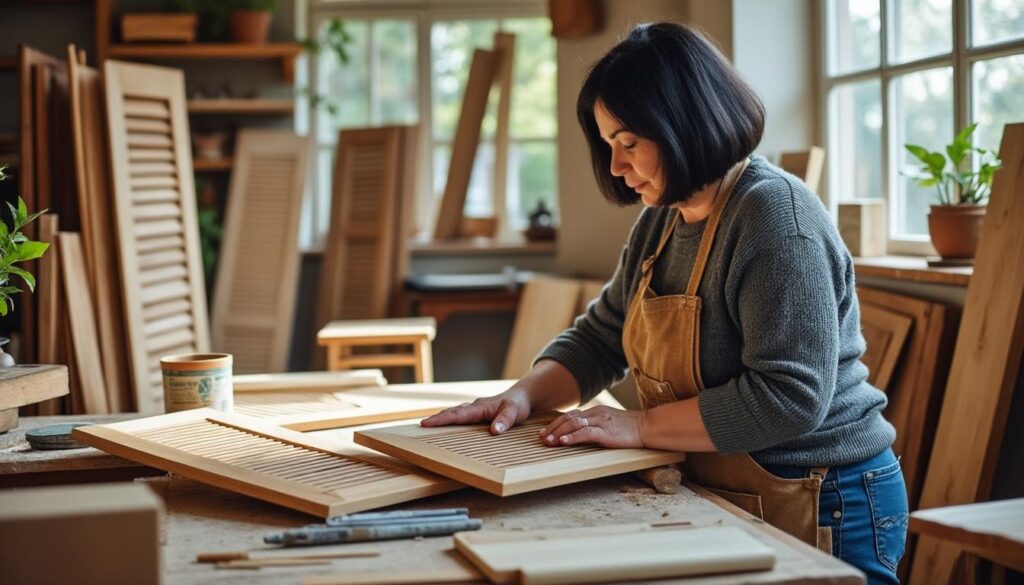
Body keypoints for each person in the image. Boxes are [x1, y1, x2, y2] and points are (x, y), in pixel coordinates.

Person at [422, 22, 907, 584]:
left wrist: (639, 426)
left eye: (629, 143)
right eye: (609, 146)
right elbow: (603, 336)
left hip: (824, 495)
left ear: (686, 122)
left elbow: (788, 396)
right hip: (732, 484)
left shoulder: (777, 220)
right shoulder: (663, 219)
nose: (615, 167)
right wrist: (519, 398)